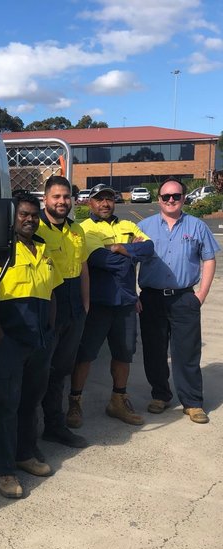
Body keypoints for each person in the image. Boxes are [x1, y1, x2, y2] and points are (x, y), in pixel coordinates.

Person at [0, 192, 63, 499]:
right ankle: (5, 470)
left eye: (33, 215)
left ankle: (26, 454)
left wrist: (50, 330)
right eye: (23, 214)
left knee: (30, 402)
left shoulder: (43, 248)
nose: (29, 219)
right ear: (11, 219)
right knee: (6, 407)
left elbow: (51, 292)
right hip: (11, 339)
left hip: (39, 340)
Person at [68, 184, 154, 427]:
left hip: (126, 304)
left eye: (109, 198)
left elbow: (149, 249)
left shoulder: (127, 225)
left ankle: (118, 401)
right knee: (85, 355)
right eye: (99, 199)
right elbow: (100, 259)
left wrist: (118, 247)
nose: (105, 203)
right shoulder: (85, 229)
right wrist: (129, 253)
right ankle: (75, 402)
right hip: (97, 305)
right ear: (89, 203)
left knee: (124, 354)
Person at [137, 178, 220, 424]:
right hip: (151, 299)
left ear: (184, 198)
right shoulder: (143, 227)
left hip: (184, 298)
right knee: (154, 351)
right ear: (159, 199)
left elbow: (208, 259)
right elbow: (130, 261)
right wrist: (132, 295)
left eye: (176, 196)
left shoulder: (197, 226)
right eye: (166, 196)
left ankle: (193, 402)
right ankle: (160, 395)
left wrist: (201, 295)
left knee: (187, 353)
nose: (171, 200)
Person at [37, 176, 89, 448]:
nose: (62, 201)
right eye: (56, 196)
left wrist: (85, 304)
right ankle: (31, 431)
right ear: (45, 198)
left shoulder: (77, 230)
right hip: (48, 307)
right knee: (41, 371)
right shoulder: (35, 229)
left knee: (60, 370)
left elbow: (82, 268)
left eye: (66, 196)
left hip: (73, 308)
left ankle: (54, 427)